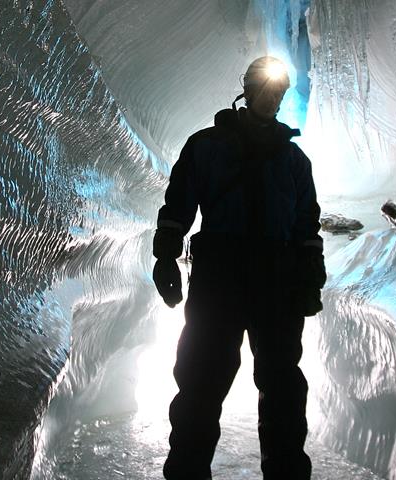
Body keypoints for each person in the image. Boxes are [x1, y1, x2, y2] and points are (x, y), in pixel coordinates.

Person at [152, 56, 326, 480]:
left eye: (278, 91)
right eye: (264, 88)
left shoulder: (294, 161)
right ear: (247, 90)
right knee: (200, 385)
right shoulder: (207, 146)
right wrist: (165, 257)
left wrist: (311, 275)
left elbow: (307, 224)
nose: (271, 97)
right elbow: (178, 205)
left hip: (275, 281)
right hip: (220, 280)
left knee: (282, 388)